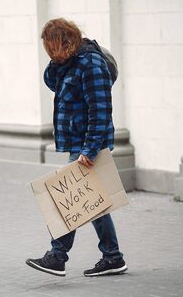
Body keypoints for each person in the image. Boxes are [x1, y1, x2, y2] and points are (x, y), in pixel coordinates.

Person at [25, 18, 127, 277]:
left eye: (51, 47)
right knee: (92, 202)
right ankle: (113, 257)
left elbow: (100, 109)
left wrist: (90, 149)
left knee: (70, 200)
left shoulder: (91, 64)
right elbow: (52, 83)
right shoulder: (68, 62)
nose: (49, 52)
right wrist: (56, 62)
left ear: (64, 42)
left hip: (88, 144)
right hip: (79, 142)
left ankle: (58, 256)